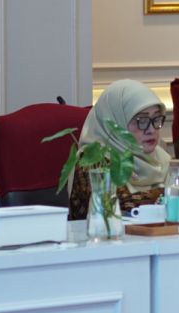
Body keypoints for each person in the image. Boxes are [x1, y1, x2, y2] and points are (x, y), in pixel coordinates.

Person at [69, 80, 173, 219]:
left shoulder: (162, 159)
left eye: (156, 119)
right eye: (141, 121)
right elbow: (121, 207)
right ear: (116, 122)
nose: (151, 130)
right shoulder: (92, 160)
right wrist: (173, 195)